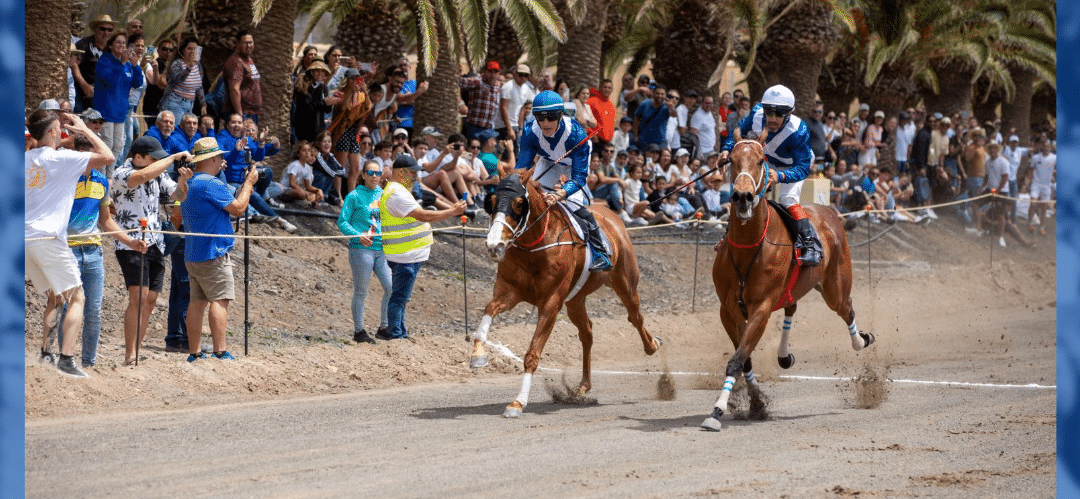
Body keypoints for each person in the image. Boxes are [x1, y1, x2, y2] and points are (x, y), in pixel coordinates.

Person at [26, 109, 116, 377]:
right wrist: (85, 130)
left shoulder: (24, 160)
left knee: (56, 298)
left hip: (26, 239)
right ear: (54, 132)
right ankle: (66, 359)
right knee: (78, 297)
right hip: (49, 238)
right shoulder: (62, 158)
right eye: (59, 128)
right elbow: (108, 157)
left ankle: (45, 354)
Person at [58, 135, 147, 368]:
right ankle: (63, 360)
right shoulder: (65, 179)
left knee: (94, 311)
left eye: (95, 156)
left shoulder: (102, 181)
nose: (95, 160)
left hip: (94, 251)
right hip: (68, 250)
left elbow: (106, 221)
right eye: (89, 156)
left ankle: (89, 363)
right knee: (68, 308)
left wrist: (130, 241)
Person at [111, 136, 193, 365]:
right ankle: (130, 354)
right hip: (131, 242)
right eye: (152, 157)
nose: (157, 161)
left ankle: (136, 350)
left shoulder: (159, 173)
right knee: (139, 298)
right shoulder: (121, 172)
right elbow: (141, 177)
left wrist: (183, 181)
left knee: (151, 299)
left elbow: (178, 196)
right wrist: (172, 158)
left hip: (156, 240)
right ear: (137, 157)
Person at [719, 84, 822, 266]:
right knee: (744, 188)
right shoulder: (757, 114)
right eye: (769, 112)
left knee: (787, 199)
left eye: (779, 114)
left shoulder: (799, 131)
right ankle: (729, 235)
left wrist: (780, 177)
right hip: (767, 160)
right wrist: (726, 151)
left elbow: (803, 168)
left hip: (792, 167)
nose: (772, 118)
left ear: (789, 113)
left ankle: (809, 244)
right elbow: (738, 131)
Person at [517, 90, 612, 272]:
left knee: (574, 205)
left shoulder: (576, 135)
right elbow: (523, 168)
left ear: (560, 115)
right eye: (540, 117)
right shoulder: (530, 131)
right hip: (548, 161)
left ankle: (600, 253)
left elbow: (578, 178)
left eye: (551, 117)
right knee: (525, 193)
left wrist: (560, 194)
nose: (545, 123)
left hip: (572, 168)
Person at [181, 137, 257, 361]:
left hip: (194, 252)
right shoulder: (210, 184)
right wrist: (249, 184)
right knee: (220, 300)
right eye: (221, 156)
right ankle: (220, 351)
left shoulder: (191, 182)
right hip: (213, 253)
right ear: (213, 158)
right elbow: (238, 208)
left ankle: (194, 352)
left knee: (197, 302)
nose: (223, 160)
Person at [378, 155, 466, 340]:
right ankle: (396, 334)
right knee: (399, 297)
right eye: (412, 172)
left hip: (406, 254)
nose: (415, 176)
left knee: (401, 297)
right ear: (401, 172)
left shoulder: (397, 189)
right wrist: (452, 211)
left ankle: (400, 331)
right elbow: (423, 215)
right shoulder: (396, 193)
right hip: (405, 255)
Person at [337, 160, 393, 344]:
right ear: (363, 174)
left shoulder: (383, 195)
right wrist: (357, 235)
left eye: (377, 173)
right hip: (361, 249)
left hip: (381, 249)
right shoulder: (354, 196)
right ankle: (359, 330)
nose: (375, 176)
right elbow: (342, 222)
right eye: (370, 173)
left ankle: (384, 327)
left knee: (390, 286)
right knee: (361, 290)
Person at [93, 29, 144, 174]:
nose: (122, 45)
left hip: (120, 112)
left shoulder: (128, 64)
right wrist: (122, 63)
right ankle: (100, 175)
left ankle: (109, 175)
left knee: (118, 145)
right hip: (105, 111)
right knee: (107, 144)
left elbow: (137, 83)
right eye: (118, 42)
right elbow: (110, 80)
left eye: (124, 43)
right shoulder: (105, 60)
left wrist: (135, 66)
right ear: (111, 45)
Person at [329, 68, 374, 194]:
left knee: (355, 169)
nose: (355, 81)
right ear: (347, 80)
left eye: (357, 78)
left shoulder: (360, 95)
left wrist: (364, 91)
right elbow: (343, 108)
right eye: (353, 78)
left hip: (354, 132)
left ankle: (351, 196)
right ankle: (338, 195)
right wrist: (350, 93)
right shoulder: (339, 93)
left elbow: (368, 107)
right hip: (342, 131)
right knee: (340, 167)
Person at [73, 15, 116, 113]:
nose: (106, 33)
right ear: (95, 29)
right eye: (102, 29)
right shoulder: (84, 43)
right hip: (83, 96)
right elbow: (74, 64)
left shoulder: (112, 48)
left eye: (110, 30)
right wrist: (84, 85)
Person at [160, 37, 207, 120]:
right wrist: (189, 68)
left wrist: (203, 105)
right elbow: (177, 80)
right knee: (178, 129)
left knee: (186, 130)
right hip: (175, 102)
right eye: (189, 49)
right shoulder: (177, 64)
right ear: (183, 50)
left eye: (195, 49)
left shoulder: (198, 65)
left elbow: (199, 86)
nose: (192, 51)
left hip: (190, 103)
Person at [291, 59, 338, 143]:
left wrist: (330, 103)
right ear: (312, 72)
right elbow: (307, 106)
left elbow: (327, 110)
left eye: (322, 71)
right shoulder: (304, 86)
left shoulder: (323, 87)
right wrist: (325, 103)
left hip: (318, 128)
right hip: (304, 127)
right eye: (317, 71)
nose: (320, 73)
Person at [224, 30, 262, 122]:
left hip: (252, 113)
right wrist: (239, 115)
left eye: (251, 42)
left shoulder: (249, 60)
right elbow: (234, 89)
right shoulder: (236, 61)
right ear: (237, 43)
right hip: (243, 113)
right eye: (245, 43)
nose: (249, 46)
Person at [459, 61, 502, 140]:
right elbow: (456, 82)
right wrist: (460, 103)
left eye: (495, 72)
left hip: (488, 129)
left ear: (499, 73)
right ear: (485, 71)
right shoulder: (477, 81)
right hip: (473, 127)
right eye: (490, 71)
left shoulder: (498, 85)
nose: (492, 75)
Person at [496, 64, 536, 143]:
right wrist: (509, 128)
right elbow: (503, 108)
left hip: (515, 126)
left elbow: (522, 109)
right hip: (503, 126)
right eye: (521, 75)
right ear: (516, 74)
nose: (523, 78)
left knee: (515, 153)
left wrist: (520, 128)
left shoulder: (526, 89)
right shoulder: (508, 86)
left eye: (526, 76)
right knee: (506, 153)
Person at [1027, 140, 1055, 236]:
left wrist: (1054, 175)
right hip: (1036, 183)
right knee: (1033, 203)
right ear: (1042, 147)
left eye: (1048, 146)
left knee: (1044, 207)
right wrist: (1028, 181)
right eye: (1045, 146)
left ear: (1050, 148)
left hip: (1047, 185)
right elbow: (1030, 169)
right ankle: (1030, 223)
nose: (1046, 148)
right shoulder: (1035, 157)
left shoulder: (1054, 157)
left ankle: (1042, 228)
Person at [633, 84, 670, 151]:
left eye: (662, 94)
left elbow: (674, 114)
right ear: (653, 94)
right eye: (658, 93)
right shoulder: (644, 104)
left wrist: (671, 106)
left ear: (665, 95)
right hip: (644, 141)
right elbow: (636, 119)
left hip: (660, 142)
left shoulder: (667, 107)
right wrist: (636, 135)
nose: (660, 96)